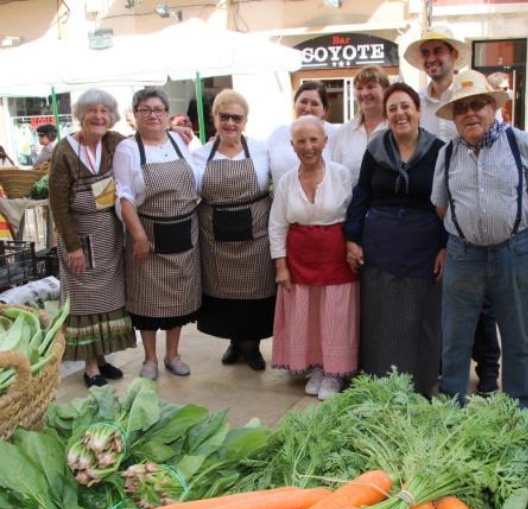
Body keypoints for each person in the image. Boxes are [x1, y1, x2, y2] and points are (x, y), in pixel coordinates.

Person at [431, 70, 528, 407]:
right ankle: (452, 406)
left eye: (478, 104)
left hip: (512, 251)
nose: (470, 113)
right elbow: (441, 205)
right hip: (462, 255)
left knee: (517, 336)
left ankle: (520, 407)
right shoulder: (448, 153)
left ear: (492, 108)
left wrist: (517, 230)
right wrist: (466, 228)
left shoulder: (519, 142)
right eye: (461, 108)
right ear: (453, 117)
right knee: (455, 336)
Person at [405, 27, 501, 395]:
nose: (432, 59)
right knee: (446, 299)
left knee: (481, 300)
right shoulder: (417, 101)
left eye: (438, 52)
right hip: (432, 207)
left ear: (453, 56)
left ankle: (488, 370)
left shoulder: (470, 91)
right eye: (426, 53)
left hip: (471, 206)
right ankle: (445, 367)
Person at [345, 83, 446, 396]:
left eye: (405, 106)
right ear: (386, 116)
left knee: (420, 316)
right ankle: (378, 382)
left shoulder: (440, 150)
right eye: (392, 109)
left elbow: (447, 200)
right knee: (381, 317)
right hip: (380, 245)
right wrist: (352, 237)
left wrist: (444, 245)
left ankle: (419, 384)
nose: (399, 113)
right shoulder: (375, 150)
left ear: (417, 110)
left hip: (423, 247)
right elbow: (362, 193)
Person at [48, 88, 137, 388]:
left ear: (111, 117)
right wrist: (72, 246)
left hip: (109, 234)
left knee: (110, 298)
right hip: (79, 235)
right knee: (85, 301)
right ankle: (89, 367)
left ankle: (101, 358)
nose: (98, 116)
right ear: (81, 115)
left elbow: (139, 154)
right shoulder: (64, 150)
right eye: (92, 111)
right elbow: (58, 204)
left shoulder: (115, 142)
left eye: (104, 111)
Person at [114, 87, 203, 381]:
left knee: (180, 295)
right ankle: (150, 358)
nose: (153, 115)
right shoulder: (128, 149)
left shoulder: (179, 140)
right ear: (135, 116)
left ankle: (173, 355)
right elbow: (124, 196)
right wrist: (138, 236)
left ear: (167, 114)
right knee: (146, 298)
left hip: (183, 229)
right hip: (148, 231)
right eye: (145, 110)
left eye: (158, 110)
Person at [269, 116, 358, 400]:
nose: (308, 146)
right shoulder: (285, 181)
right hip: (300, 258)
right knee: (307, 315)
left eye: (314, 140)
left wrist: (354, 245)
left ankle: (335, 374)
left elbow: (354, 216)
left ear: (325, 142)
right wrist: (280, 265)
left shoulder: (341, 174)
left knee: (335, 316)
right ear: (292, 145)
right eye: (302, 141)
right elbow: (277, 225)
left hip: (335, 256)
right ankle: (317, 367)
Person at [194, 89, 276, 369]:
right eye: (224, 116)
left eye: (236, 118)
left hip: (256, 232)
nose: (230, 123)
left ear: (245, 121)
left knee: (255, 292)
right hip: (215, 234)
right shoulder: (199, 156)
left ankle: (252, 348)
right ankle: (234, 342)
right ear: (214, 118)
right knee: (225, 294)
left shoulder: (263, 149)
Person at [268, 81, 339, 188]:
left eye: (314, 103)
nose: (307, 108)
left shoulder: (336, 135)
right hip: (284, 202)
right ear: (294, 104)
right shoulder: (278, 134)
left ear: (324, 110)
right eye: (303, 102)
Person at [331, 66, 389, 186]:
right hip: (351, 203)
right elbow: (335, 176)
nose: (364, 93)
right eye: (359, 88)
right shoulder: (344, 131)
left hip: (387, 203)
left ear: (386, 90)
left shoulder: (394, 129)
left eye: (370, 86)